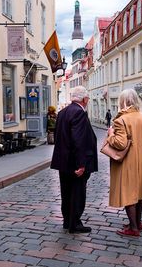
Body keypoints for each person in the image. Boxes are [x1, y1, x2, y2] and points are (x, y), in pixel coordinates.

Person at [50, 86, 98, 233]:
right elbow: (79, 140)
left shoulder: (63, 112)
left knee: (66, 192)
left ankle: (67, 221)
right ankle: (75, 223)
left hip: (63, 161)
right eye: (87, 99)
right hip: (74, 162)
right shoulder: (79, 113)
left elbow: (59, 136)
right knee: (77, 192)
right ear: (84, 99)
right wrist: (81, 164)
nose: (88, 101)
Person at [106, 88, 142, 237]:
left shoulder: (120, 120)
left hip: (127, 162)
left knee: (128, 194)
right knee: (140, 193)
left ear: (122, 102)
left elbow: (119, 143)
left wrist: (110, 134)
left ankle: (133, 228)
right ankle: (138, 222)